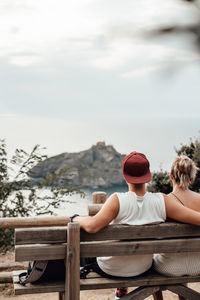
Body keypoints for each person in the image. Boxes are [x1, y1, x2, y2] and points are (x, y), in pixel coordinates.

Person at [72, 152, 200, 299]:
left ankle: (121, 291)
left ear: (125, 175)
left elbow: (92, 226)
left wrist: (75, 218)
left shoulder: (116, 200)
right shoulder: (162, 201)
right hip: (142, 267)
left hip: (112, 269)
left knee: (94, 256)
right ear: (149, 174)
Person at [153, 155, 200, 300]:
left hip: (168, 267)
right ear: (192, 178)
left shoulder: (164, 201)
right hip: (198, 265)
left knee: (151, 258)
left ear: (171, 176)